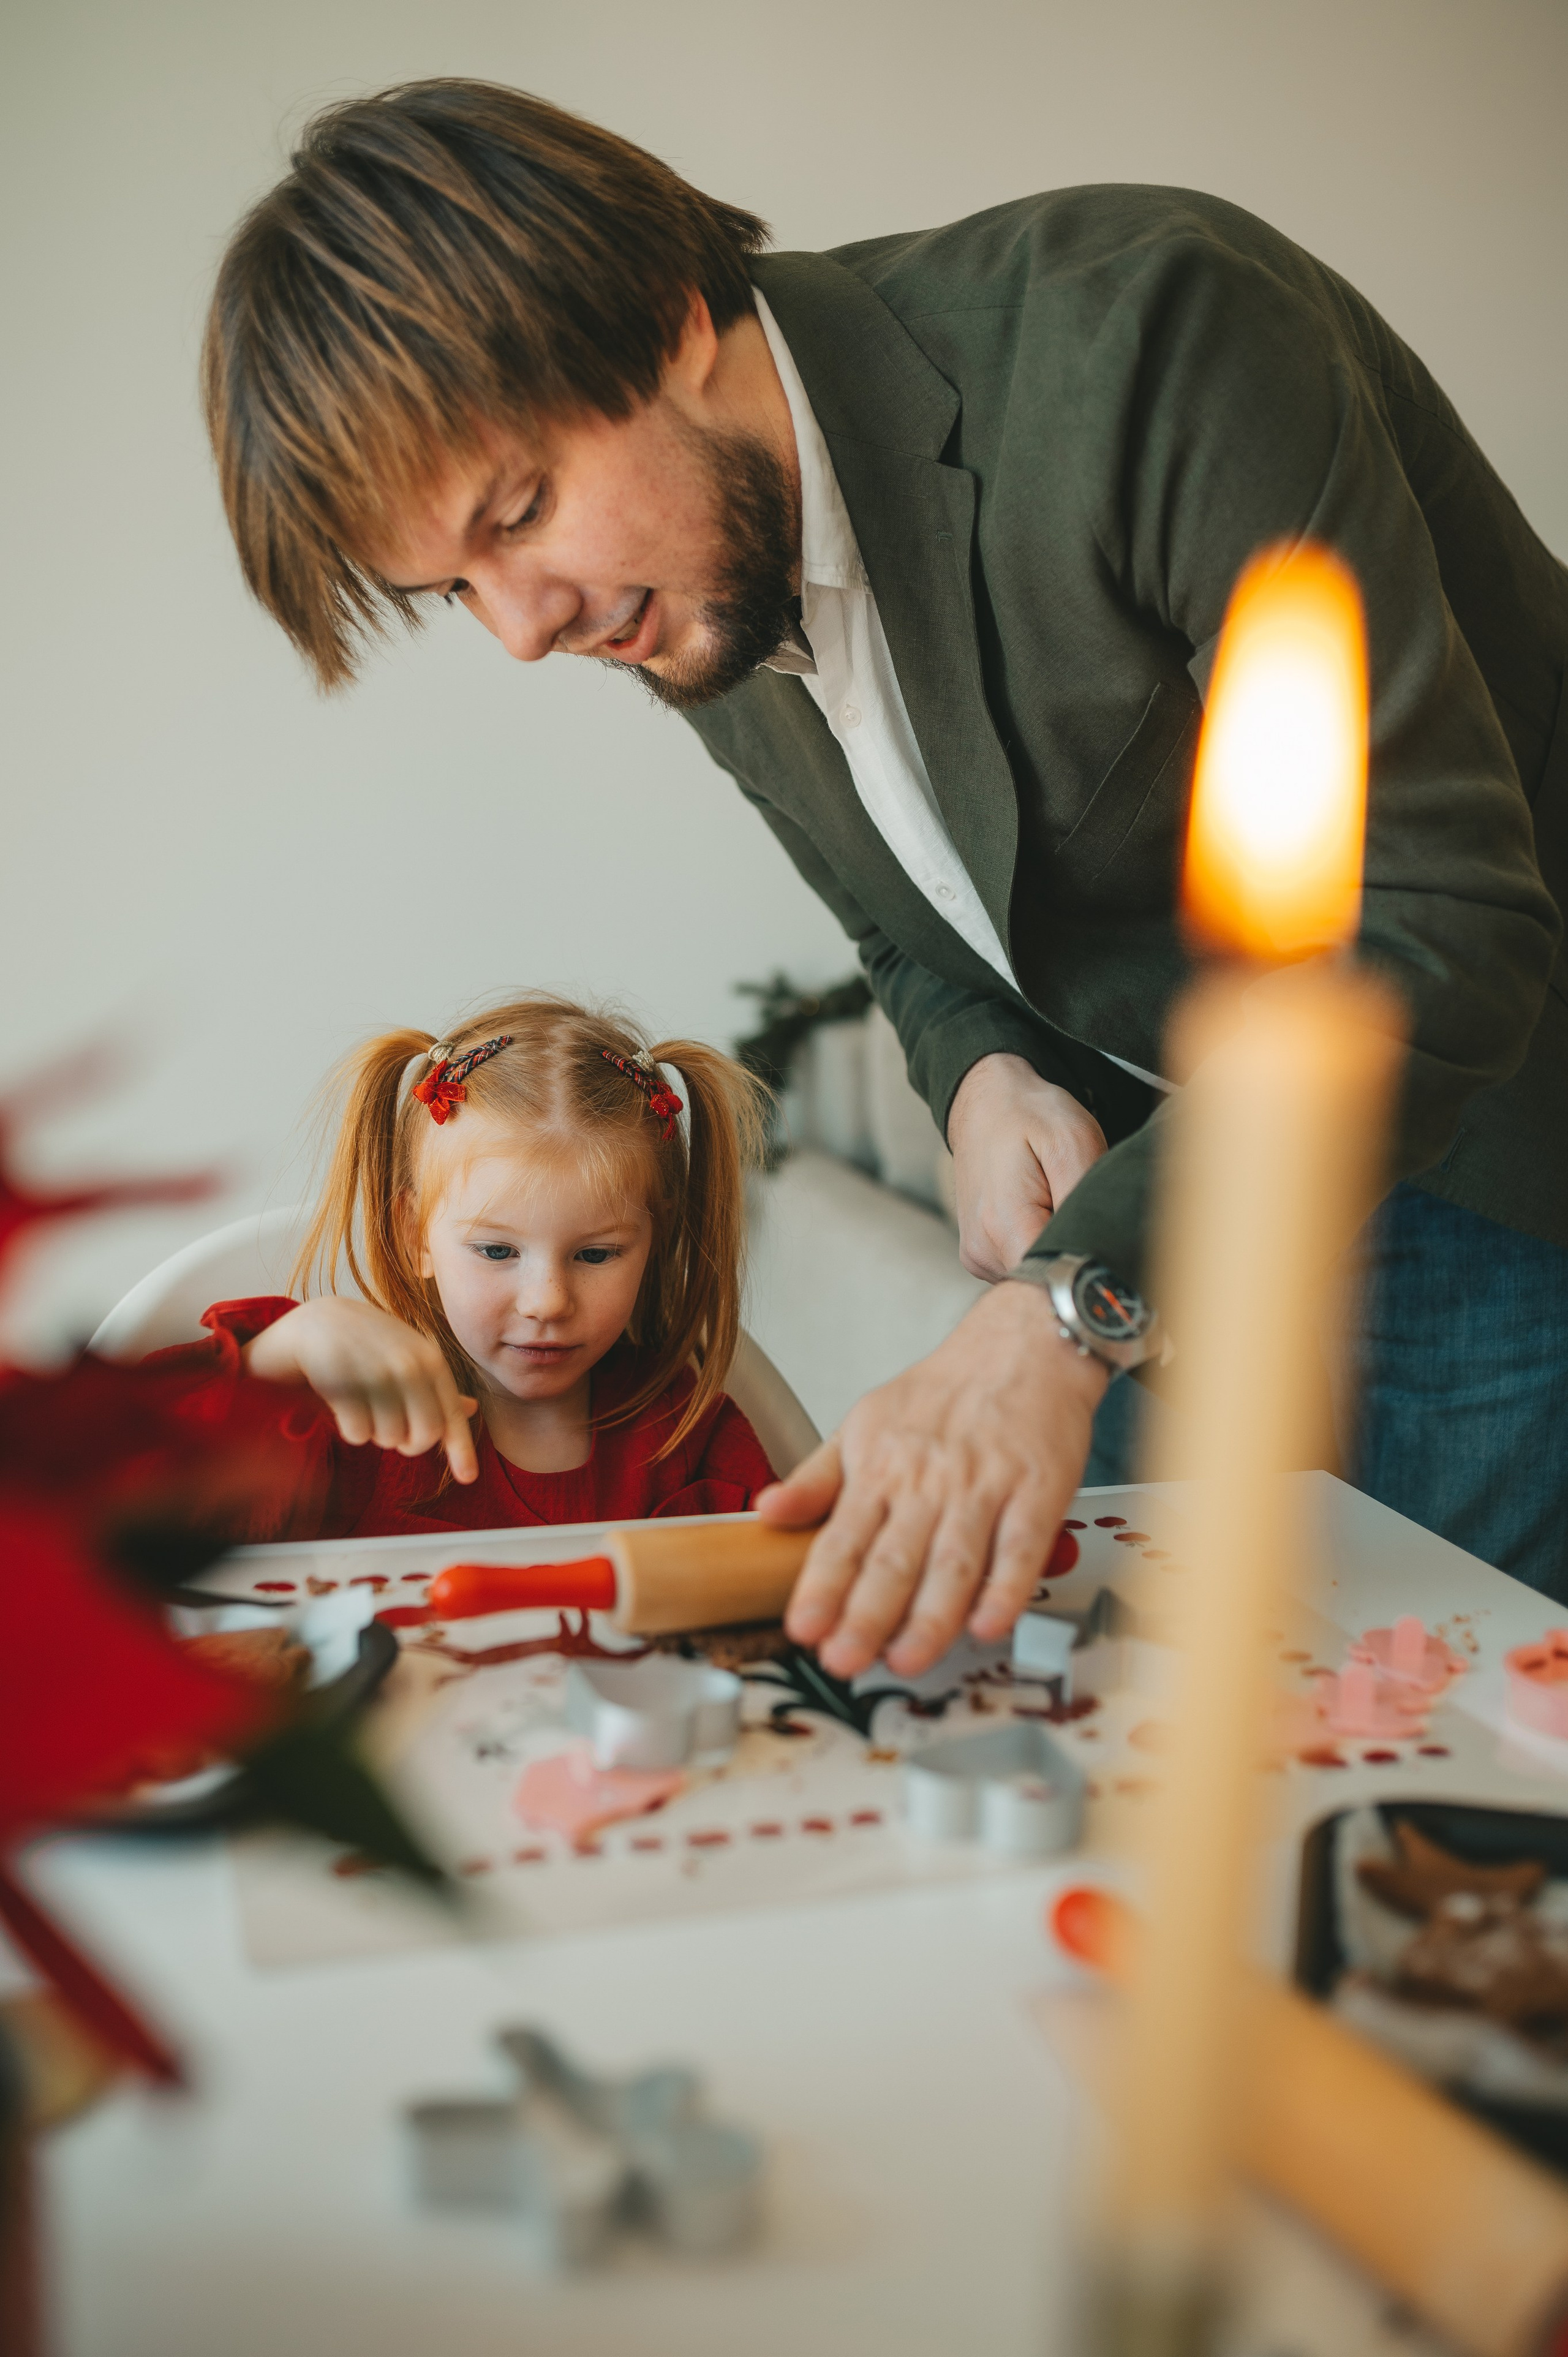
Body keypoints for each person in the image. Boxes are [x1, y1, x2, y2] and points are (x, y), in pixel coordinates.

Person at [200, 82, 1568, 1661]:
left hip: (1486, 1154)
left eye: (518, 514)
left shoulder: (1151, 332)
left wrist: (1060, 1311)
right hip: (1161, 1205)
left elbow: (1433, 921)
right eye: (455, 588)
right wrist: (977, 1063)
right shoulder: (682, 582)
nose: (522, 628)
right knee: (1099, 1708)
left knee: (1447, 1761)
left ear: (660, 314)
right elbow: (894, 912)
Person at [152, 995, 775, 1540]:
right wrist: (287, 1349)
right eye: (497, 1251)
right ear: (414, 1233)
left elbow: (781, 1584)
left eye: (595, 1254)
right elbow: (112, 1501)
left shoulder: (683, 1439)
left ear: (656, 1242)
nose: (546, 1301)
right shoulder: (343, 1414)